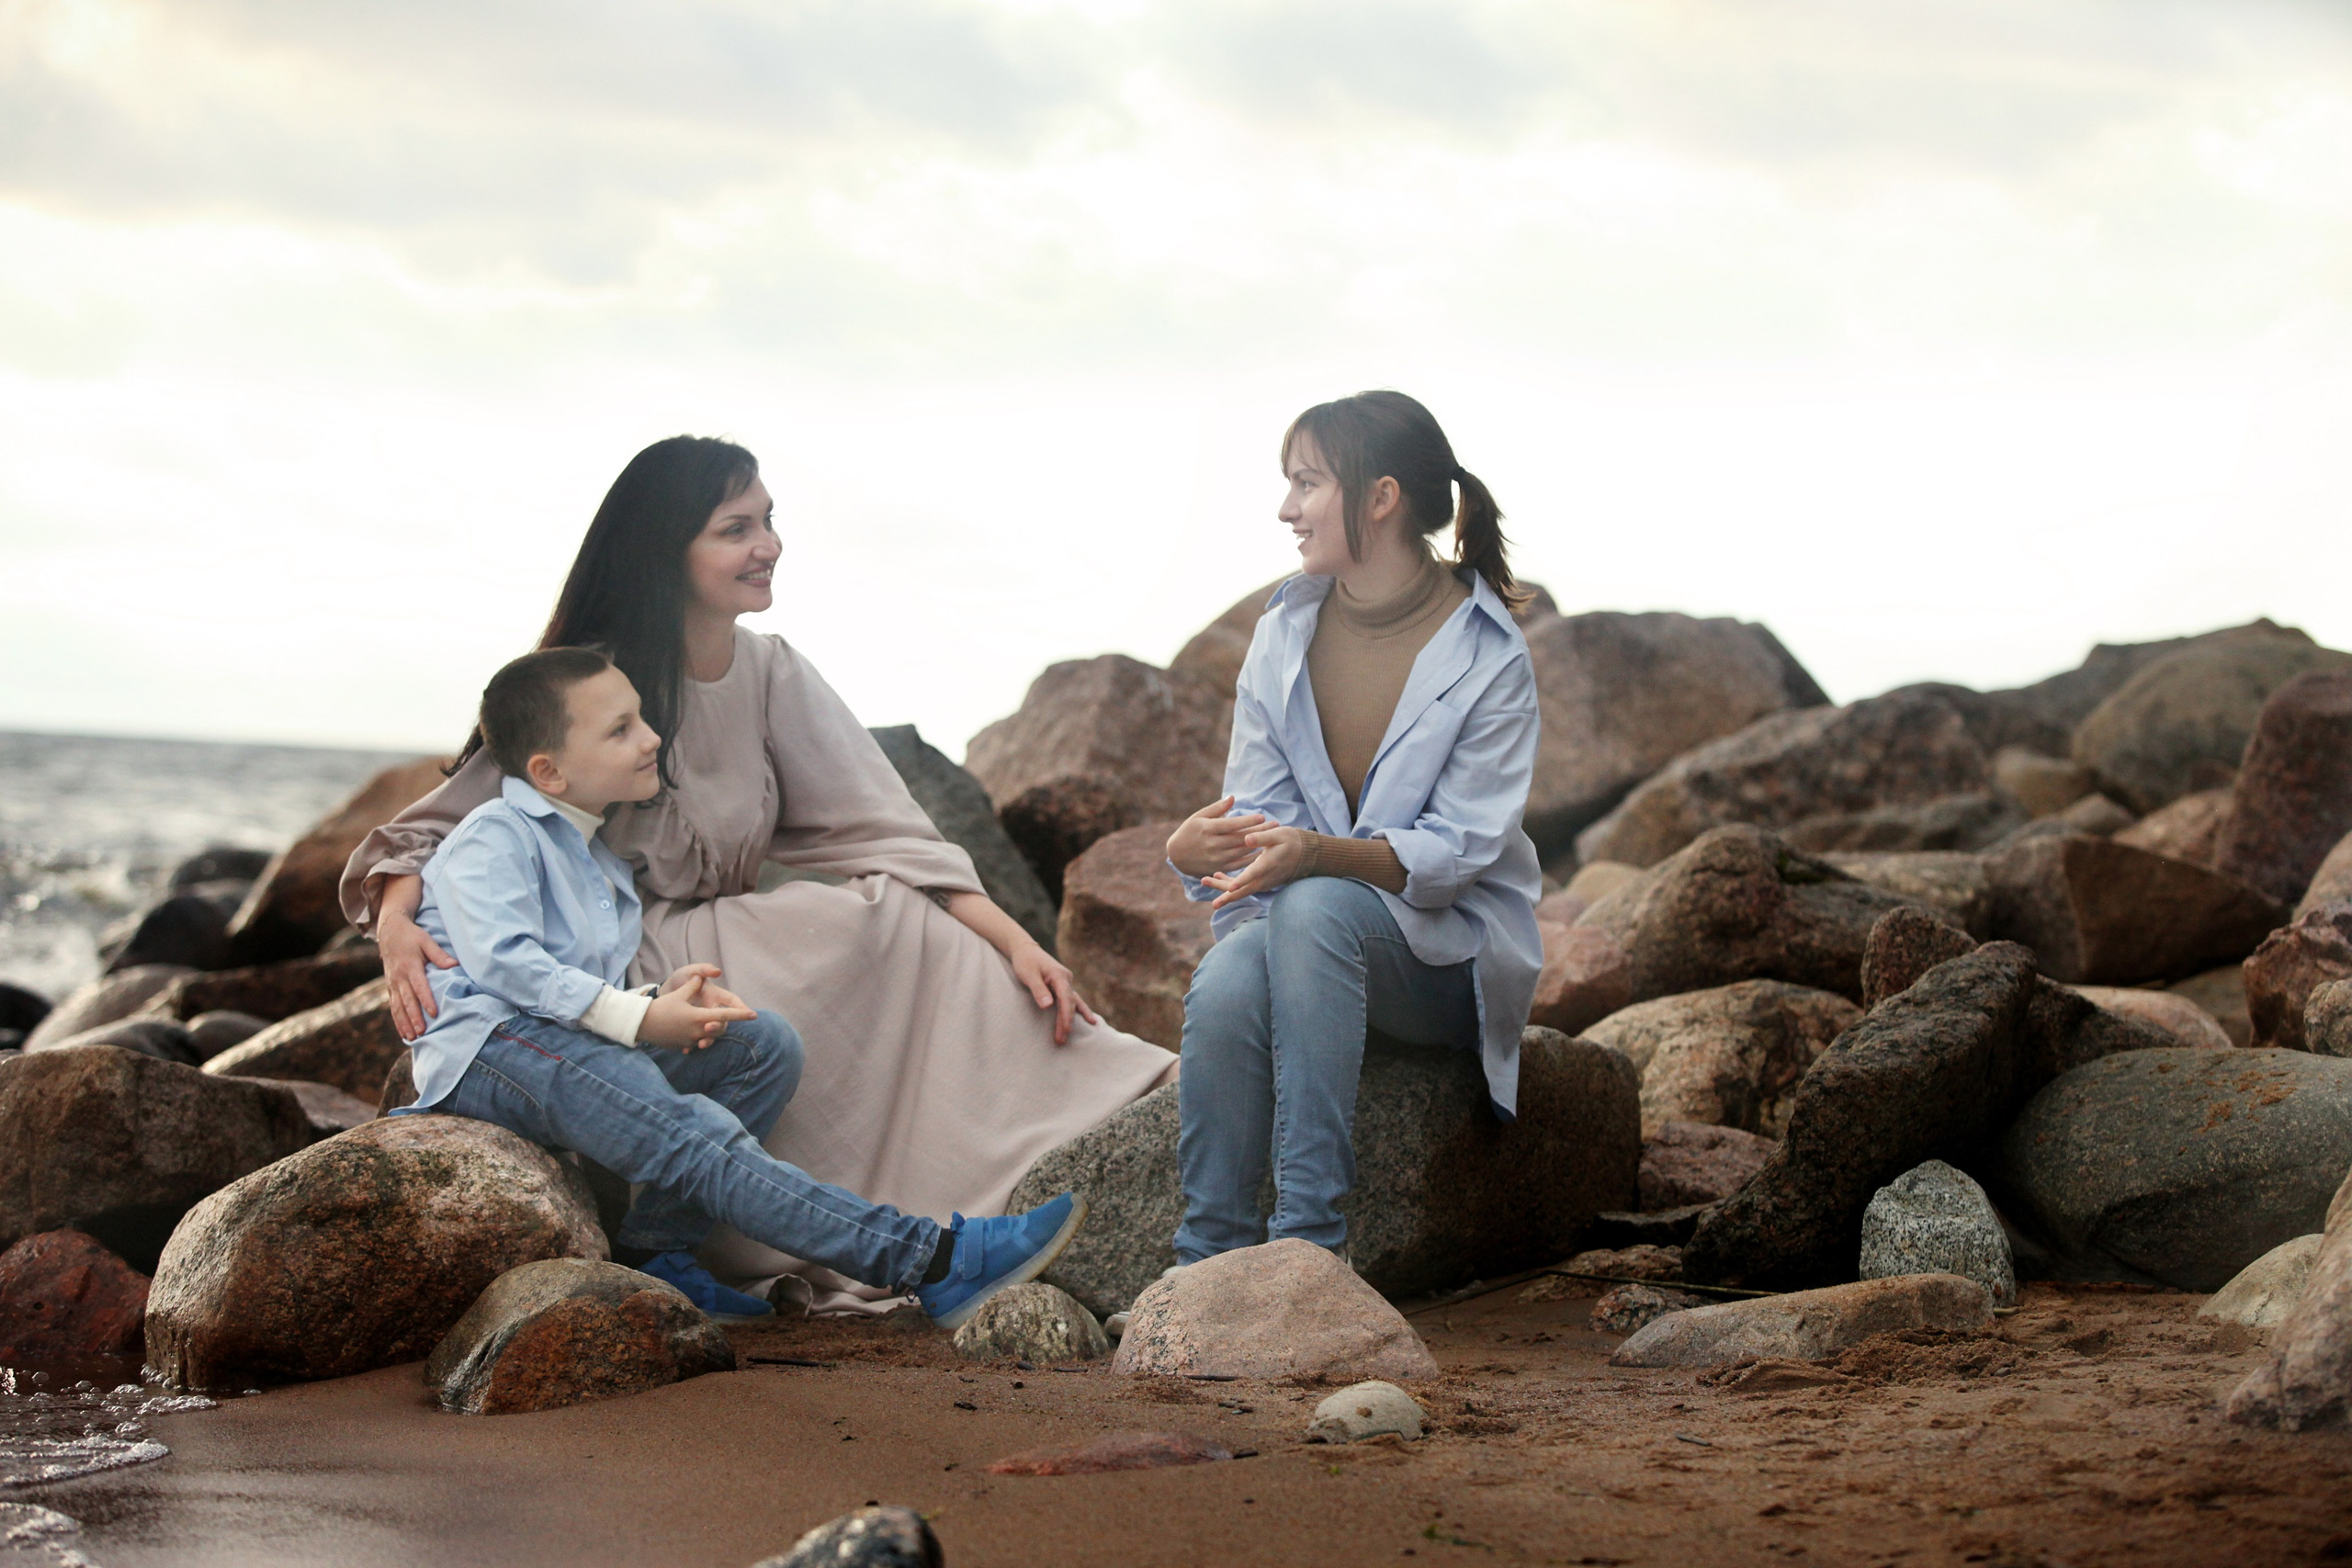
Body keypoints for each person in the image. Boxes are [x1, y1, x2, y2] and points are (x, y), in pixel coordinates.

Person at [342, 436, 1172, 1312]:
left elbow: (891, 832)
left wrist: (1015, 941)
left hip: (684, 944)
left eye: (769, 521)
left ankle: (1093, 1101)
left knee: (892, 921)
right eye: (736, 527)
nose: (767, 543)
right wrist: (399, 925)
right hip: (611, 962)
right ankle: (926, 1256)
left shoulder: (771, 670)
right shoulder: (593, 685)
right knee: (697, 1125)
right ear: (670, 549)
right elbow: (439, 831)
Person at [404, 643, 1084, 1328]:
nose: (650, 740)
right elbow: (506, 965)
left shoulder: (597, 861)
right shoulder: (495, 834)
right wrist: (638, 1019)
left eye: (642, 718)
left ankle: (658, 1250)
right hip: (491, 1049)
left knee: (761, 1046)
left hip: (551, 1039)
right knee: (691, 1135)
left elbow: (574, 984)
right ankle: (931, 1260)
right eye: (620, 730)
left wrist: (657, 998)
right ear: (548, 771)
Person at [1163, 390, 1542, 1268]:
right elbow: (1262, 819)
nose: (1287, 508)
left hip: (1444, 959)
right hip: (1314, 938)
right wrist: (1192, 855)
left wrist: (1321, 858)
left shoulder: (1490, 653)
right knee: (1225, 977)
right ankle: (1206, 1262)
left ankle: (1307, 1248)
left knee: (1318, 907)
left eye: (1307, 483)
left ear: (1381, 497)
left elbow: (1456, 858)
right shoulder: (1283, 634)